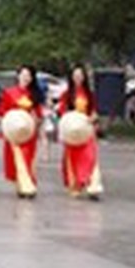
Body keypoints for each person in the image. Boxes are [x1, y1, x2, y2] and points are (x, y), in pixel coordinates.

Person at [58, 64, 103, 200]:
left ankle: (93, 185)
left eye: (80, 75)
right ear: (71, 77)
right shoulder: (67, 94)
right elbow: (61, 110)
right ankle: (75, 185)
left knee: (91, 157)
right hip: (72, 130)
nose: (78, 78)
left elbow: (94, 111)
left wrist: (93, 118)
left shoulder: (90, 94)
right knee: (72, 158)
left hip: (87, 129)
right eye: (75, 75)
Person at [0, 65, 43, 198]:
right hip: (13, 129)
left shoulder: (34, 94)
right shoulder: (9, 92)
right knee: (16, 157)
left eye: (28, 75)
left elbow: (39, 112)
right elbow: (2, 110)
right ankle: (21, 184)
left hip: (29, 130)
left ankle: (29, 183)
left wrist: (37, 120)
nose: (25, 77)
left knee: (29, 157)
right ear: (18, 76)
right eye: (23, 74)